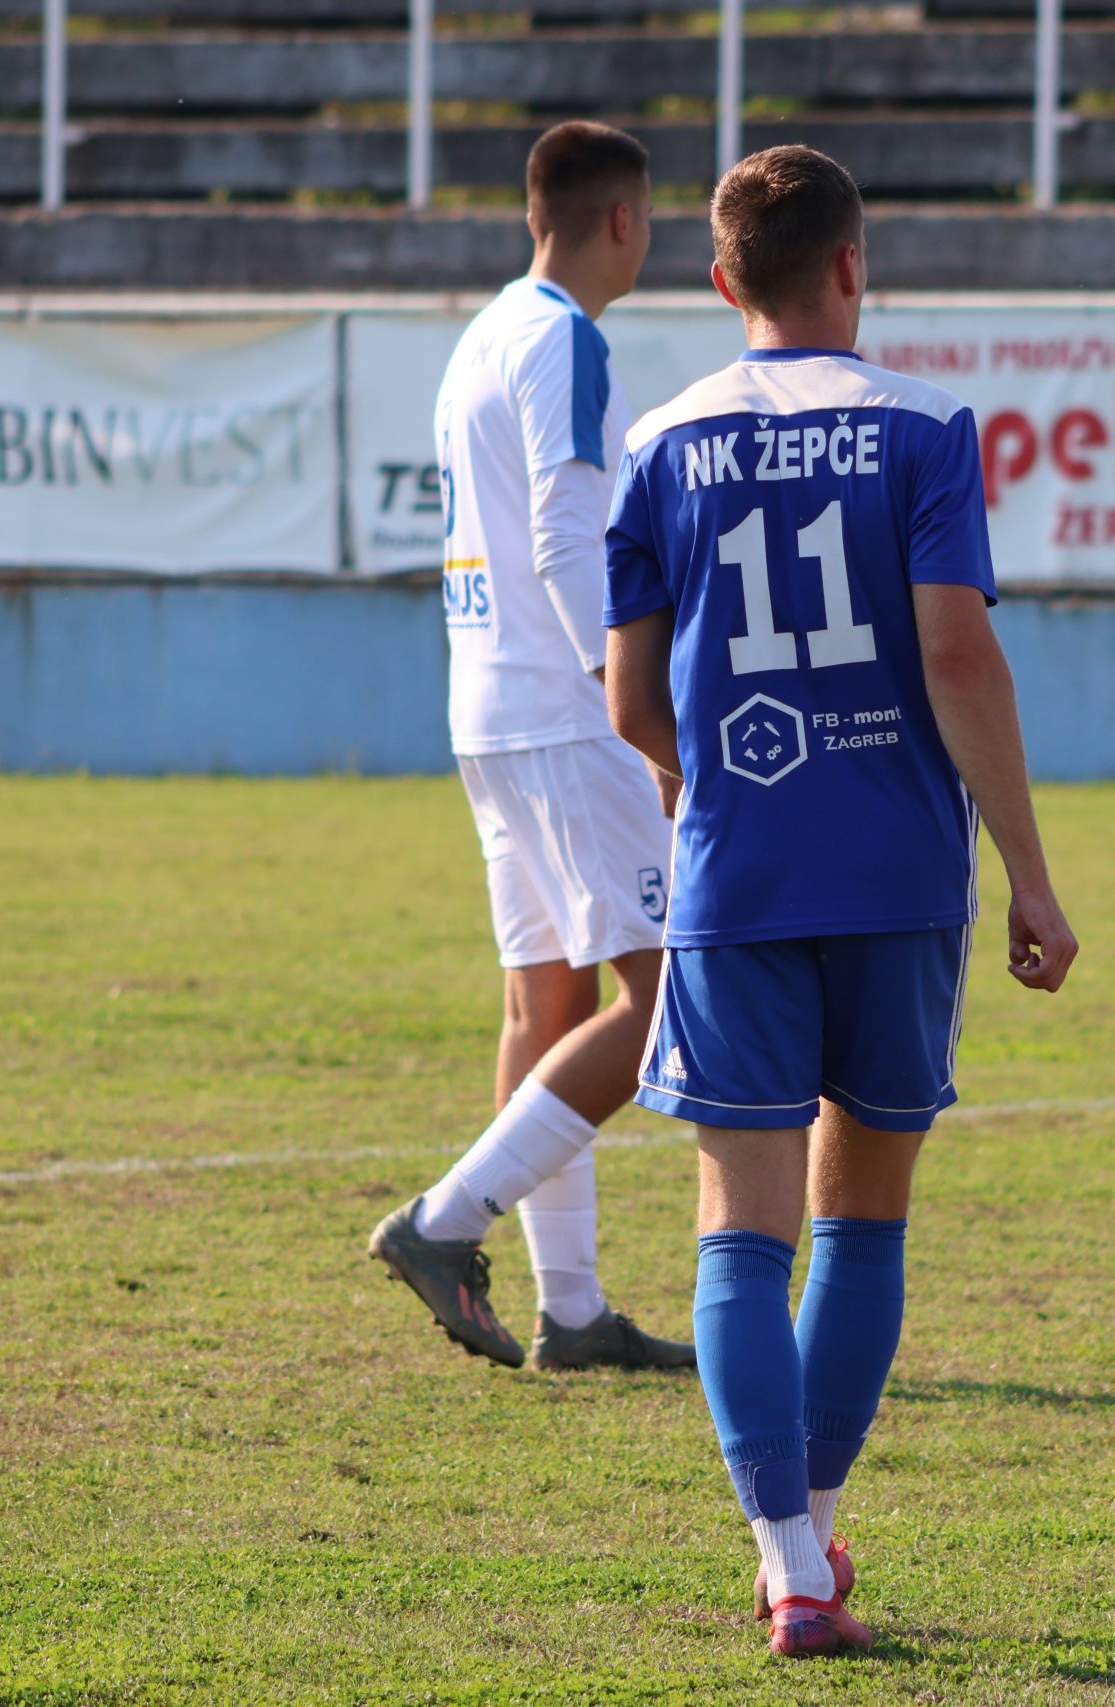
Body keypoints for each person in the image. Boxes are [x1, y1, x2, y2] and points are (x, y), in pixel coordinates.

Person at [603, 145, 1080, 1657]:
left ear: (721, 280)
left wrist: (714, 780)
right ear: (854, 265)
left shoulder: (659, 442)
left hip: (738, 873)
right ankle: (808, 1537)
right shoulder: (925, 427)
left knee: (738, 1236)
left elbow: (630, 700)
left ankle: (790, 1559)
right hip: (896, 878)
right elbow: (956, 656)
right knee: (862, 1219)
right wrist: (1029, 871)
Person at [365, 122, 695, 1376]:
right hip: (565, 712)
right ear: (622, 220)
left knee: (544, 1004)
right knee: (668, 1001)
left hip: (489, 708)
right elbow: (564, 532)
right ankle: (445, 1222)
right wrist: (630, 699)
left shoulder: (483, 336)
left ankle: (571, 1312)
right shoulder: (564, 338)